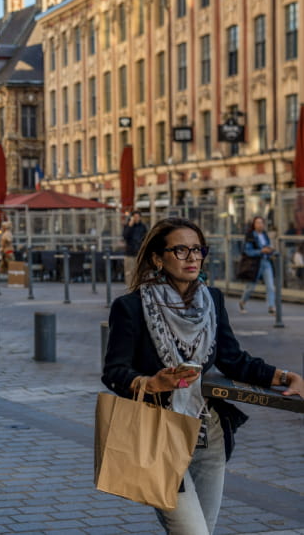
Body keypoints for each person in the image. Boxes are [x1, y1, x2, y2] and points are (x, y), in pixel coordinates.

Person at [102, 217, 302, 534]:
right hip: (160, 436)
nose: (193, 257)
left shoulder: (212, 300)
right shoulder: (131, 307)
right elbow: (114, 371)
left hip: (209, 435)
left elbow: (233, 360)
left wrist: (284, 376)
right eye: (180, 250)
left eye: (198, 249)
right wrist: (151, 383)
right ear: (157, 257)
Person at [239, 216, 276, 314]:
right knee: (250, 287)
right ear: (254, 225)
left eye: (261, 223)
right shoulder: (250, 235)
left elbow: (268, 246)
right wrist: (261, 251)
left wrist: (270, 250)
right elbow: (247, 251)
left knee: (270, 286)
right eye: (257, 223)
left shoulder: (264, 235)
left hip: (266, 262)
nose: (260, 225)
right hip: (254, 264)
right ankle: (242, 302)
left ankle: (271, 306)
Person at [123, 210, 148, 286]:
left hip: (139, 253)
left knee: (139, 272)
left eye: (138, 217)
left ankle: (138, 288)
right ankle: (130, 288)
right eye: (135, 217)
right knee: (129, 273)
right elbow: (125, 236)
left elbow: (145, 238)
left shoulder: (143, 227)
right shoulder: (128, 226)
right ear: (132, 217)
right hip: (129, 253)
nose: (136, 218)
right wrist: (130, 225)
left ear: (140, 217)